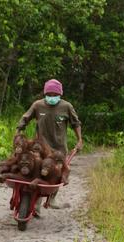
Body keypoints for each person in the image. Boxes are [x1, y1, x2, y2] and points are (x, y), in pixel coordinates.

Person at [15, 78, 83, 208]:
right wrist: (18, 131)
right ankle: (36, 202)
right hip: (41, 147)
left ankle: (52, 199)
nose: (52, 97)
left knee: (56, 173)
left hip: (59, 148)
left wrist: (79, 139)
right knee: (38, 170)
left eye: (55, 95)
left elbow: (76, 123)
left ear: (60, 95)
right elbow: (25, 118)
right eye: (49, 95)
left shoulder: (66, 106)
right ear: (45, 94)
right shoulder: (38, 105)